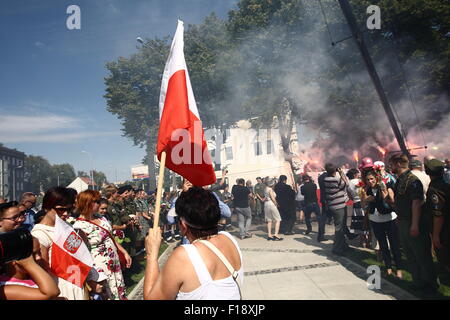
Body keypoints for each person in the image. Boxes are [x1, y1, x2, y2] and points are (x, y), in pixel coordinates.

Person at [143, 187, 243, 300]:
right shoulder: (229, 239)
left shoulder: (184, 256)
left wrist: (152, 255)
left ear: (184, 225)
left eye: (178, 221)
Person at [31, 187, 104, 300]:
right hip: (62, 289)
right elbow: (44, 272)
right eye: (60, 209)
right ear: (46, 207)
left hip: (79, 284)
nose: (65, 213)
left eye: (69, 209)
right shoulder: (40, 234)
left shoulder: (67, 226)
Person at [389, 153, 438, 293]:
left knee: (421, 254)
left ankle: (431, 284)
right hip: (404, 221)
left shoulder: (412, 180)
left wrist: (415, 224)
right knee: (410, 254)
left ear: (398, 163)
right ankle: (418, 282)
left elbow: (417, 203)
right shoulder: (400, 180)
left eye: (391, 164)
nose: (390, 167)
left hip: (413, 221)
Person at [73, 190, 131, 300]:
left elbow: (110, 237)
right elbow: (81, 252)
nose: (99, 204)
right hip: (99, 264)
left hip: (114, 261)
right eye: (97, 201)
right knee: (106, 293)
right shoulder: (79, 225)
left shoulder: (101, 217)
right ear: (87, 203)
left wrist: (124, 252)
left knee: (118, 289)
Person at [362, 171, 403, 278]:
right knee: (383, 245)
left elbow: (392, 200)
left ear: (376, 178)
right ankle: (388, 268)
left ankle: (399, 269)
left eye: (372, 178)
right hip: (375, 220)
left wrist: (384, 191)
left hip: (389, 218)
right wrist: (366, 199)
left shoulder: (385, 186)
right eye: (368, 179)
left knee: (394, 245)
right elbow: (363, 204)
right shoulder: (366, 189)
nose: (370, 181)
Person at [424, 159, 450, 280]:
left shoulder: (435, 189)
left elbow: (438, 215)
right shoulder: (445, 184)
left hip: (443, 231)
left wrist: (435, 235)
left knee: (445, 258)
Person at [323, 163, 350, 256]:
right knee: (339, 228)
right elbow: (346, 183)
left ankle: (344, 246)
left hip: (333, 205)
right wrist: (342, 172)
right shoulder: (335, 180)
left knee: (341, 226)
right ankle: (336, 248)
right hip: (339, 206)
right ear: (335, 171)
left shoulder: (326, 179)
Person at [301, 175, 324, 241]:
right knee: (319, 217)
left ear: (303, 180)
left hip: (307, 204)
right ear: (309, 179)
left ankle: (309, 229)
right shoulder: (314, 185)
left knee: (307, 217)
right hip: (315, 203)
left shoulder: (303, 187)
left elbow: (303, 194)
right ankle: (321, 230)